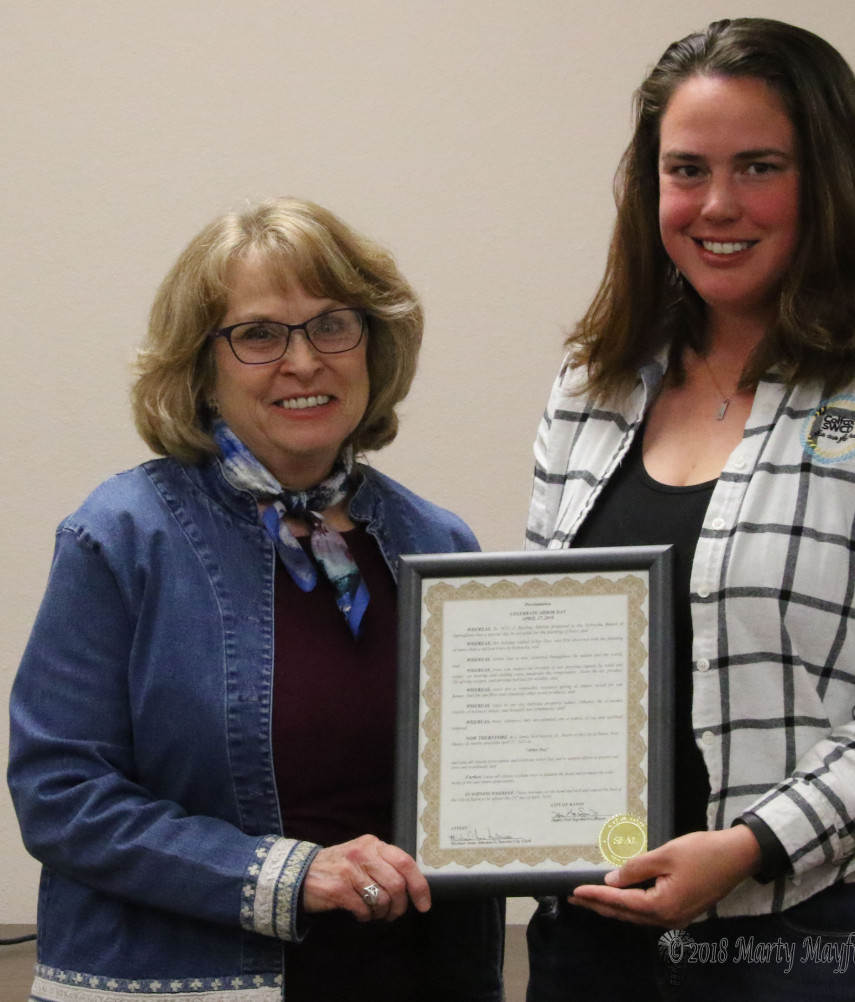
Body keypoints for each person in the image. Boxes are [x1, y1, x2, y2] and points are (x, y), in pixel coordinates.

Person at [524, 18, 855, 1002]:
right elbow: (547, 659)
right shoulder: (593, 388)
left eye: (758, 167)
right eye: (685, 170)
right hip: (600, 929)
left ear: (827, 182)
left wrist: (752, 845)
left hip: (836, 935)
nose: (715, 205)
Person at [8, 197, 504, 1002]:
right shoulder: (122, 538)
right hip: (183, 986)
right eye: (259, 335)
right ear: (201, 365)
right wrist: (287, 874)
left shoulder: (436, 546)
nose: (303, 362)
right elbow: (61, 796)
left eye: (332, 325)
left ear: (373, 343)